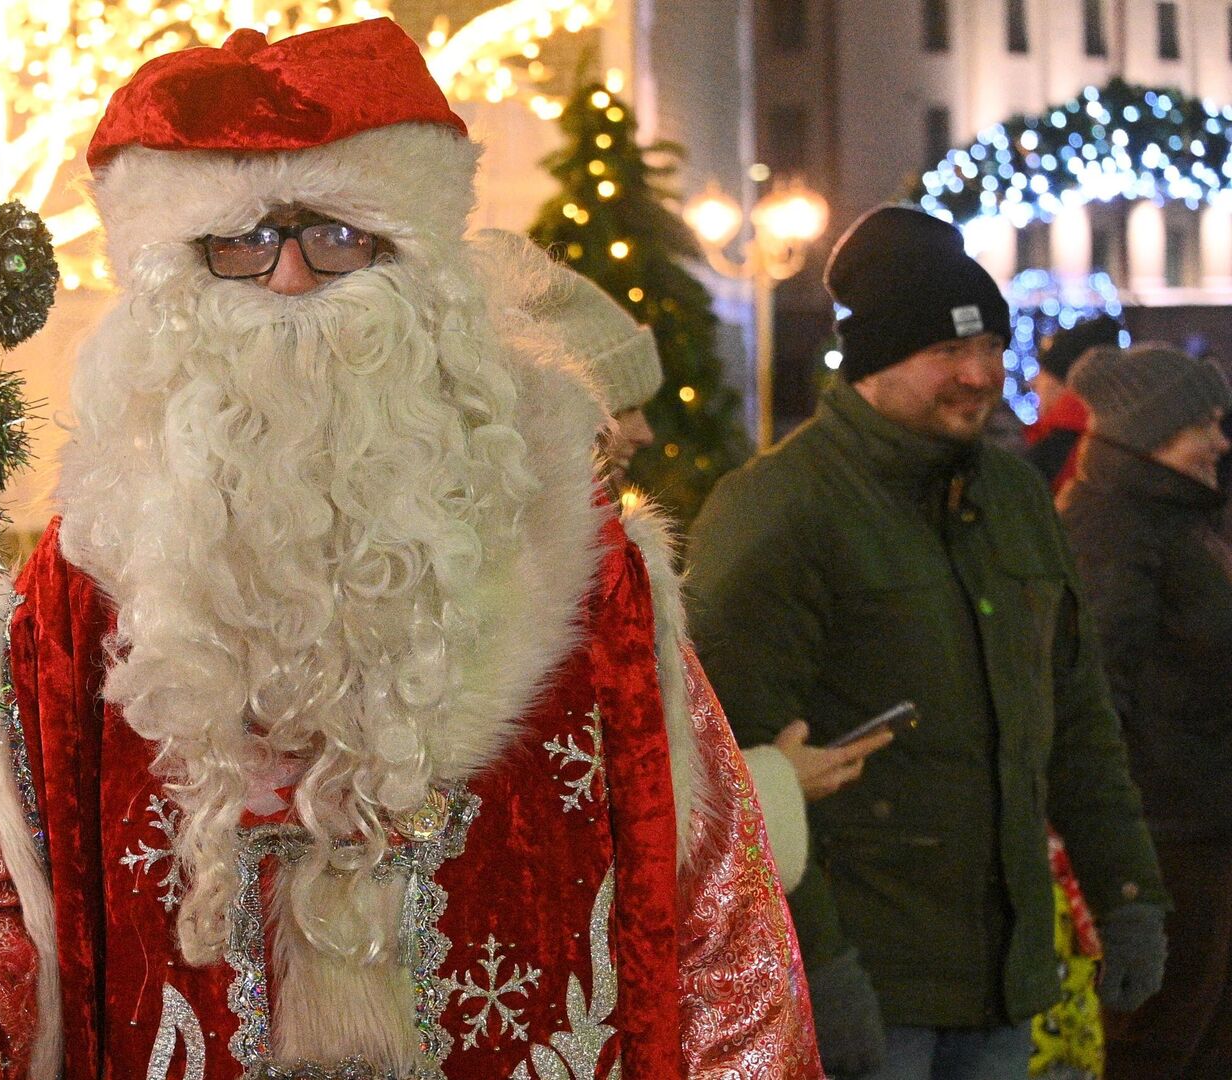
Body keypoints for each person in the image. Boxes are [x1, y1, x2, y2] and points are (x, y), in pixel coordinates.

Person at [0, 20, 817, 1080]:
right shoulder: (78, 594)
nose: (292, 280)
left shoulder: (584, 572)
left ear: (419, 267)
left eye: (338, 236)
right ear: (179, 279)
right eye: (243, 242)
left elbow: (717, 917)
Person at [685, 205, 1170, 1080]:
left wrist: (1127, 891)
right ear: (875, 360)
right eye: (948, 349)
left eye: (990, 345)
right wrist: (818, 971)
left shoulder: (1014, 500)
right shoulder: (782, 508)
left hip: (1003, 979)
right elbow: (732, 764)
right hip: (870, 981)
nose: (980, 373)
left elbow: (1077, 717)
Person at [476, 227, 890, 893]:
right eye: (623, 408)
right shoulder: (544, 577)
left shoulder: (590, 556)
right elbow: (576, 815)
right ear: (549, 410)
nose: (644, 432)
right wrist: (775, 785)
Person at [1057, 344, 1232, 1079]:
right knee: (1160, 1036)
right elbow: (1096, 692)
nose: (1220, 441)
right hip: (1165, 834)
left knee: (1203, 1034)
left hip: (1200, 821)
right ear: (1152, 434)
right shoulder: (1111, 529)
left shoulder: (1178, 520)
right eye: (1204, 425)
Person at [1025, 314, 1126, 493]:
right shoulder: (1119, 437)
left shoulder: (1056, 449)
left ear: (1061, 380)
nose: (1032, 383)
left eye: (1042, 372)